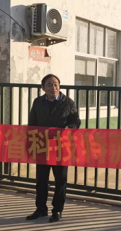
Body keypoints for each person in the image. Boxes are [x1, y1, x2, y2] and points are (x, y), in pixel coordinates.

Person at [26, 74, 81, 223]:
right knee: (41, 180)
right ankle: (40, 208)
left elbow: (76, 121)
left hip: (60, 147)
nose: (53, 87)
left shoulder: (68, 102)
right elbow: (32, 124)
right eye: (49, 85)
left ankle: (57, 210)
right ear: (43, 88)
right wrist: (30, 144)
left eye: (56, 84)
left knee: (60, 180)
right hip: (42, 146)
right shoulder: (38, 102)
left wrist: (70, 127)